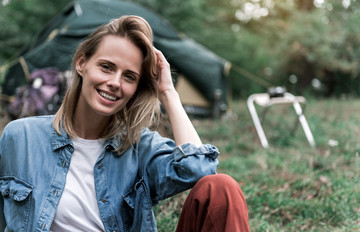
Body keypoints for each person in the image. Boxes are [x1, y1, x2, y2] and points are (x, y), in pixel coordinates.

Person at [0, 15, 249, 232]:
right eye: (106, 67)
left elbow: (199, 170)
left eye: (129, 76)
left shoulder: (140, 147)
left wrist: (169, 93)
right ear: (81, 63)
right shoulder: (20, 137)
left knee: (221, 189)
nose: (115, 82)